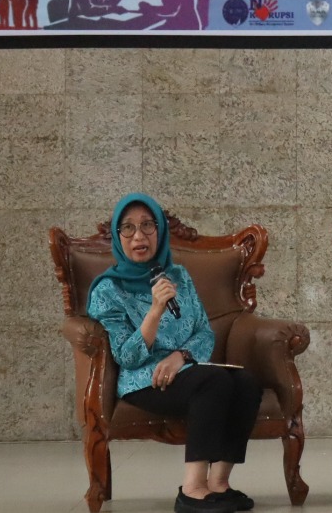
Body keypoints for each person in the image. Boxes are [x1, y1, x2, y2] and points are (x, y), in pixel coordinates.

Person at [87, 194, 261, 513]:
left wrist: (180, 356)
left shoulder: (178, 276)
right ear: (117, 236)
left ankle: (218, 484)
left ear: (160, 231)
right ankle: (192, 490)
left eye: (147, 225)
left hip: (185, 367)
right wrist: (155, 310)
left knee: (246, 382)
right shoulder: (107, 291)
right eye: (128, 228)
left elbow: (203, 332)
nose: (139, 236)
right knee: (214, 381)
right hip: (144, 379)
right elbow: (126, 356)